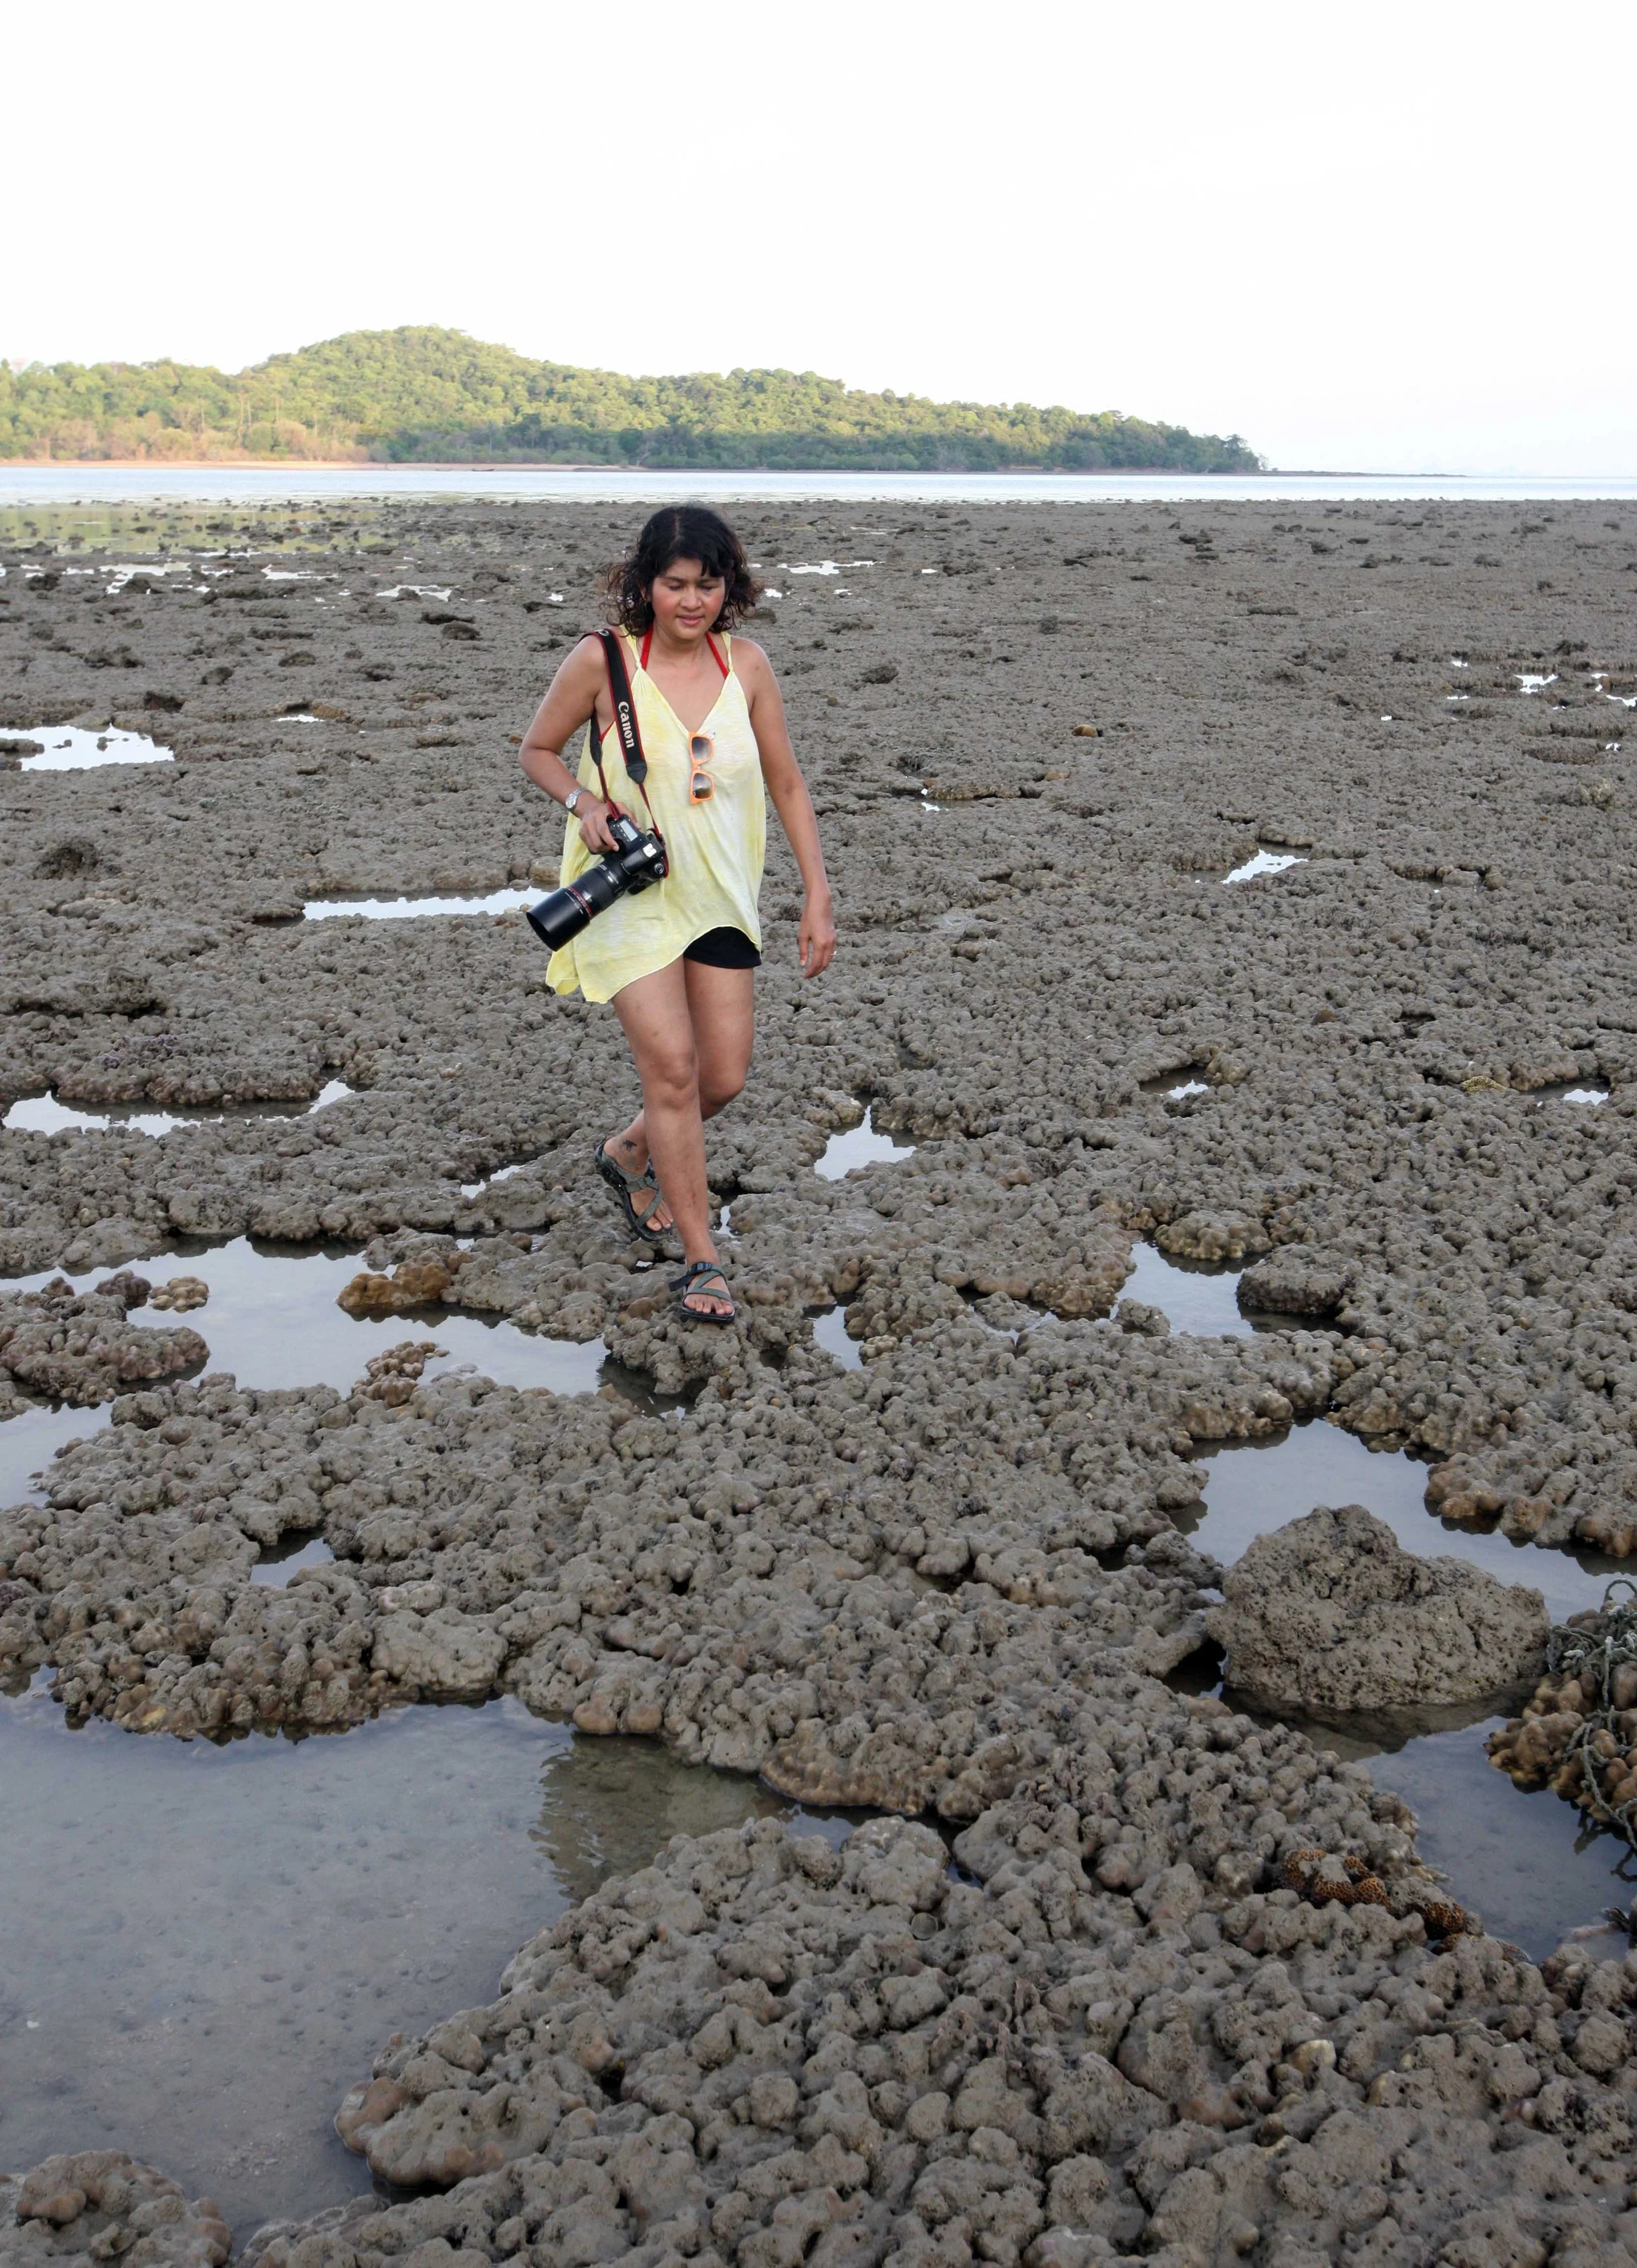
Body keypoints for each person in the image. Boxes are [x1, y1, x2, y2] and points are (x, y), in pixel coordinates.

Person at [518, 506, 835, 1325]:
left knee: (722, 1076)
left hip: (720, 894)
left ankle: (632, 1151)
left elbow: (789, 785)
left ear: (729, 587)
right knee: (673, 1074)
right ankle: (702, 1259)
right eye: (674, 585)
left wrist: (817, 893)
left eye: (707, 585)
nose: (691, 602)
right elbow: (535, 750)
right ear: (646, 585)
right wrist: (584, 801)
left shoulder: (749, 666)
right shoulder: (603, 661)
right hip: (631, 900)